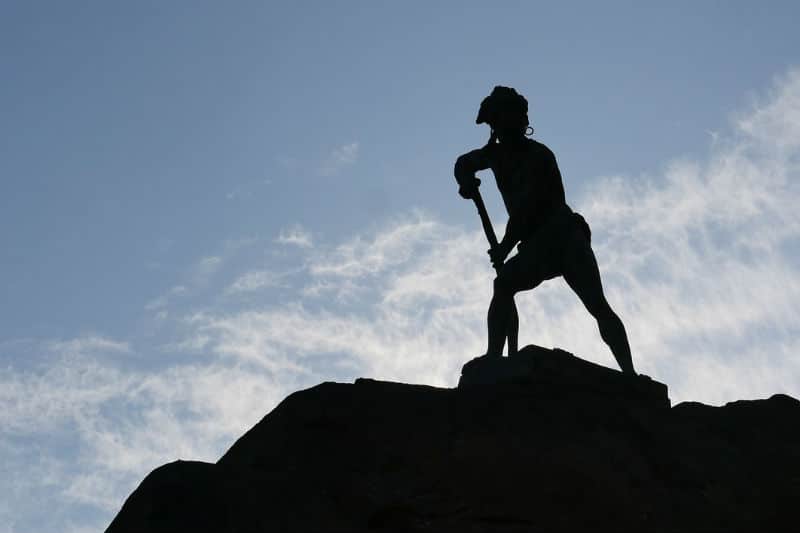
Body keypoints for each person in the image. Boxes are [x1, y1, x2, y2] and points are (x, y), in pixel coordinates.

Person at [454, 86, 636, 375]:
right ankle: (494, 357)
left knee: (597, 304)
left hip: (563, 239)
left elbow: (527, 209)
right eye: (495, 123)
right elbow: (464, 162)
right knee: (504, 286)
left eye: (504, 118)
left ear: (519, 119)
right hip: (536, 244)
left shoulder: (538, 156)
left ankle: (630, 374)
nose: (500, 127)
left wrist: (504, 246)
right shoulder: (496, 156)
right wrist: (466, 182)